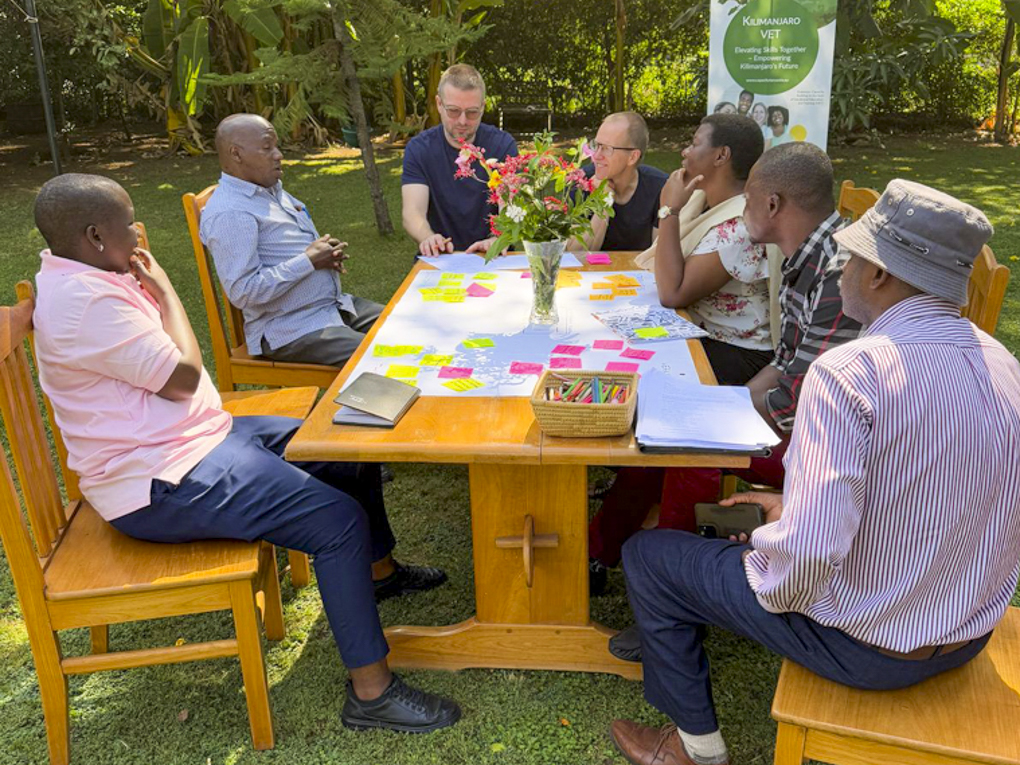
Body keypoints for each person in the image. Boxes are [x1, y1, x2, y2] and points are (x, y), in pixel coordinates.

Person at [609, 179, 1020, 765]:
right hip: (967, 631)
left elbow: (802, 564)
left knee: (652, 560)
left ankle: (693, 751)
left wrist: (766, 551)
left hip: (871, 647)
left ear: (879, 276)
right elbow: (945, 493)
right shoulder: (1004, 364)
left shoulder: (848, 373)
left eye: (851, 255)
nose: (842, 266)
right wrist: (791, 509)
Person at [32, 173, 460, 734]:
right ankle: (372, 692)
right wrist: (165, 292)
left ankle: (376, 575)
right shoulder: (86, 302)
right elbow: (183, 377)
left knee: (345, 437)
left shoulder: (92, 272)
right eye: (127, 224)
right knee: (336, 521)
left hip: (196, 438)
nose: (138, 233)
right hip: (160, 479)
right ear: (93, 235)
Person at [590, 144, 862, 630]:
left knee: (694, 447)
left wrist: (716, 421)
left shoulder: (838, 272)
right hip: (806, 414)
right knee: (669, 429)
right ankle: (598, 552)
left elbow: (802, 402)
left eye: (749, 199)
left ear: (773, 205)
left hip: (834, 442)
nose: (742, 208)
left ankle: (674, 598)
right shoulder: (811, 253)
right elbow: (783, 366)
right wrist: (720, 404)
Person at [200, 114, 382, 368]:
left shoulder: (270, 191)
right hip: (291, 329)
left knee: (405, 327)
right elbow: (243, 292)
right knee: (384, 358)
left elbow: (291, 249)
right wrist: (308, 261)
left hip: (331, 308)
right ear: (236, 154)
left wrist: (325, 254)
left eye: (276, 146)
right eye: (267, 148)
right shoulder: (231, 213)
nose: (278, 155)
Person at [645, 113, 773, 384]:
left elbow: (672, 294)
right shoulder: (704, 201)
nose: (685, 151)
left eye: (694, 143)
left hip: (736, 350)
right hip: (699, 330)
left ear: (721, 155)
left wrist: (669, 210)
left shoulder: (740, 227)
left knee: (642, 377)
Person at [402, 64, 518, 258]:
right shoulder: (419, 149)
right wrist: (429, 238)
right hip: (440, 258)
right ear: (439, 104)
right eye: (453, 111)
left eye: (472, 112)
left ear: (482, 107)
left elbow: (511, 206)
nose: (463, 121)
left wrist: (498, 238)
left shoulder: (503, 145)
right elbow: (412, 212)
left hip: (495, 256)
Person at [567, 111, 668, 252]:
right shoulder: (581, 183)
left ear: (632, 157)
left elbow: (660, 256)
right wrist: (603, 202)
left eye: (607, 149)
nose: (596, 156)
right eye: (596, 145)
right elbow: (574, 257)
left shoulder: (660, 188)